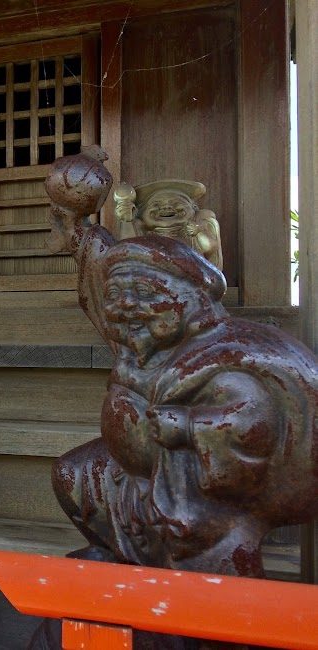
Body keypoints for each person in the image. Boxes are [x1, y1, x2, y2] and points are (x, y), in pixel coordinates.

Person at [45, 147, 318, 578]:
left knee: (203, 565)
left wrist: (188, 426)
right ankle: (119, 554)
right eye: (118, 298)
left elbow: (251, 423)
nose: (125, 308)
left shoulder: (224, 356)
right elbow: (94, 265)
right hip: (131, 479)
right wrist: (71, 215)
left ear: (190, 300)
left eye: (145, 295)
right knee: (75, 476)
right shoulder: (140, 343)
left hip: (195, 493)